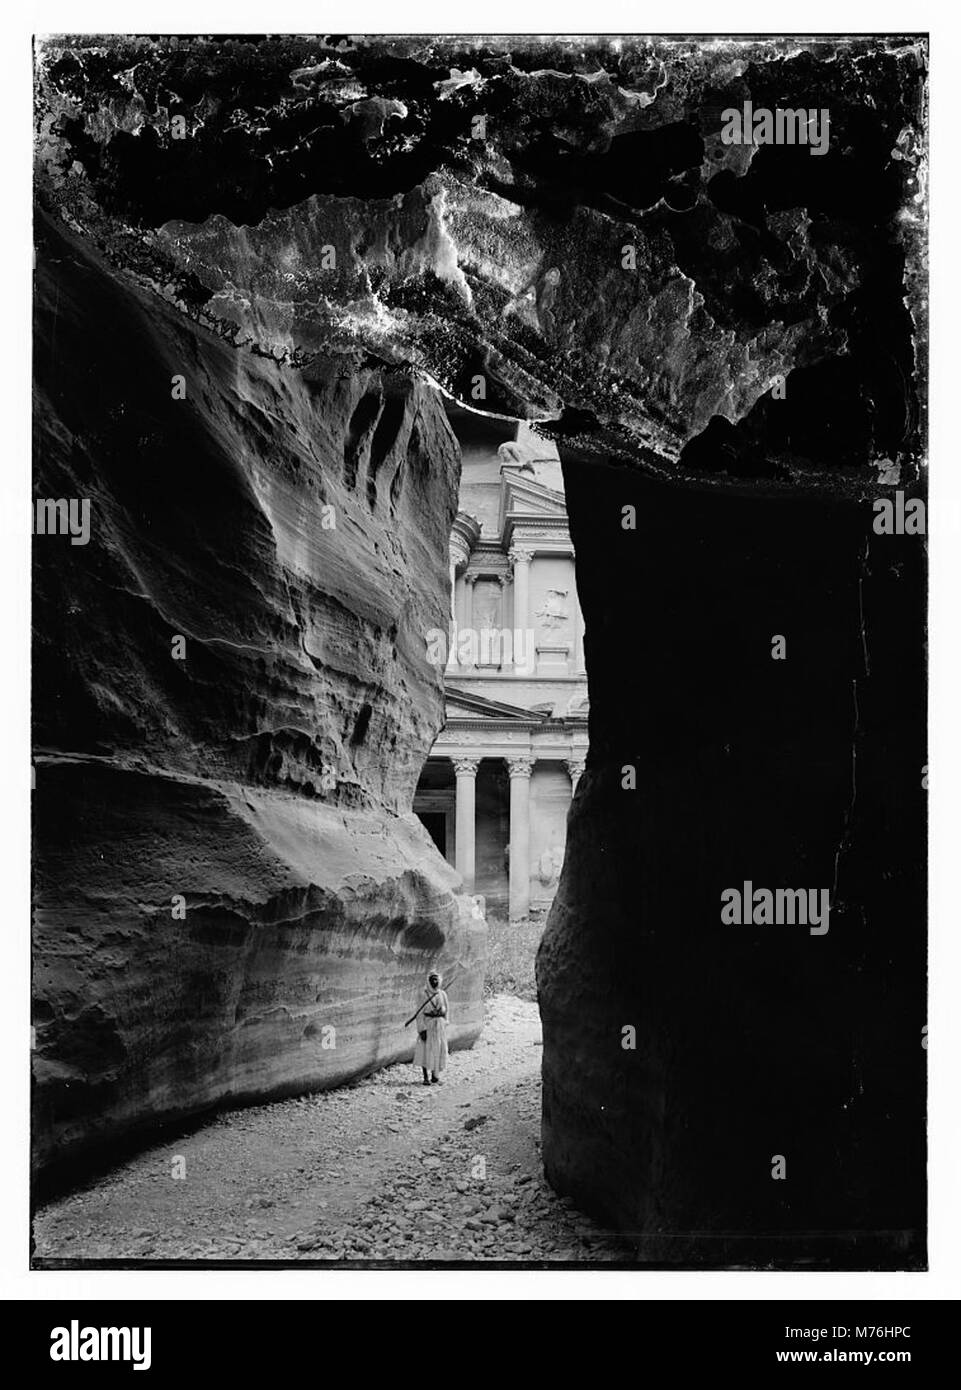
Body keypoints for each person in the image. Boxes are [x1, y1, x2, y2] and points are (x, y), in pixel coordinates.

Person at [413, 970, 449, 1085]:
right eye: (432, 979)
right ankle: (425, 1078)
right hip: (427, 1025)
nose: (434, 981)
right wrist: (421, 1029)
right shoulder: (423, 994)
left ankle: (435, 1076)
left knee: (437, 1050)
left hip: (439, 1027)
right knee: (424, 1050)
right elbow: (419, 1014)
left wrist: (445, 1022)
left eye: (436, 979)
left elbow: (447, 1010)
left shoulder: (442, 994)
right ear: (428, 981)